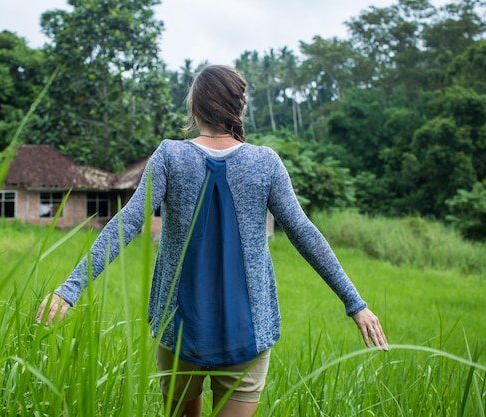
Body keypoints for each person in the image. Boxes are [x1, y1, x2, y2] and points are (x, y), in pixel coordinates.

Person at [36, 64, 389, 417]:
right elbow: (304, 232)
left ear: (194, 108)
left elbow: (127, 222)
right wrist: (354, 303)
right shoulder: (265, 162)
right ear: (240, 108)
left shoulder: (170, 156)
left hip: (179, 327)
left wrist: (70, 288)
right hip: (248, 331)